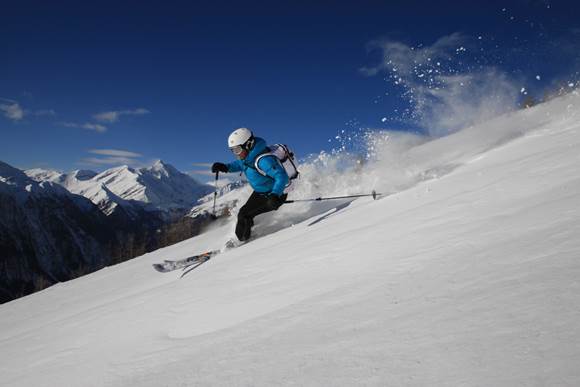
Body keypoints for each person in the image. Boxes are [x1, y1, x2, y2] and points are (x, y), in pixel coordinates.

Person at [212, 128, 289, 243]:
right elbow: (239, 164)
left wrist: (275, 194)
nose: (236, 154)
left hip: (274, 195)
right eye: (233, 150)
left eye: (237, 150)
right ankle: (245, 236)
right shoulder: (247, 157)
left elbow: (282, 176)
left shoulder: (264, 160)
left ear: (249, 144)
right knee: (244, 213)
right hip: (261, 192)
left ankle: (242, 242)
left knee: (244, 215)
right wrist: (225, 167)